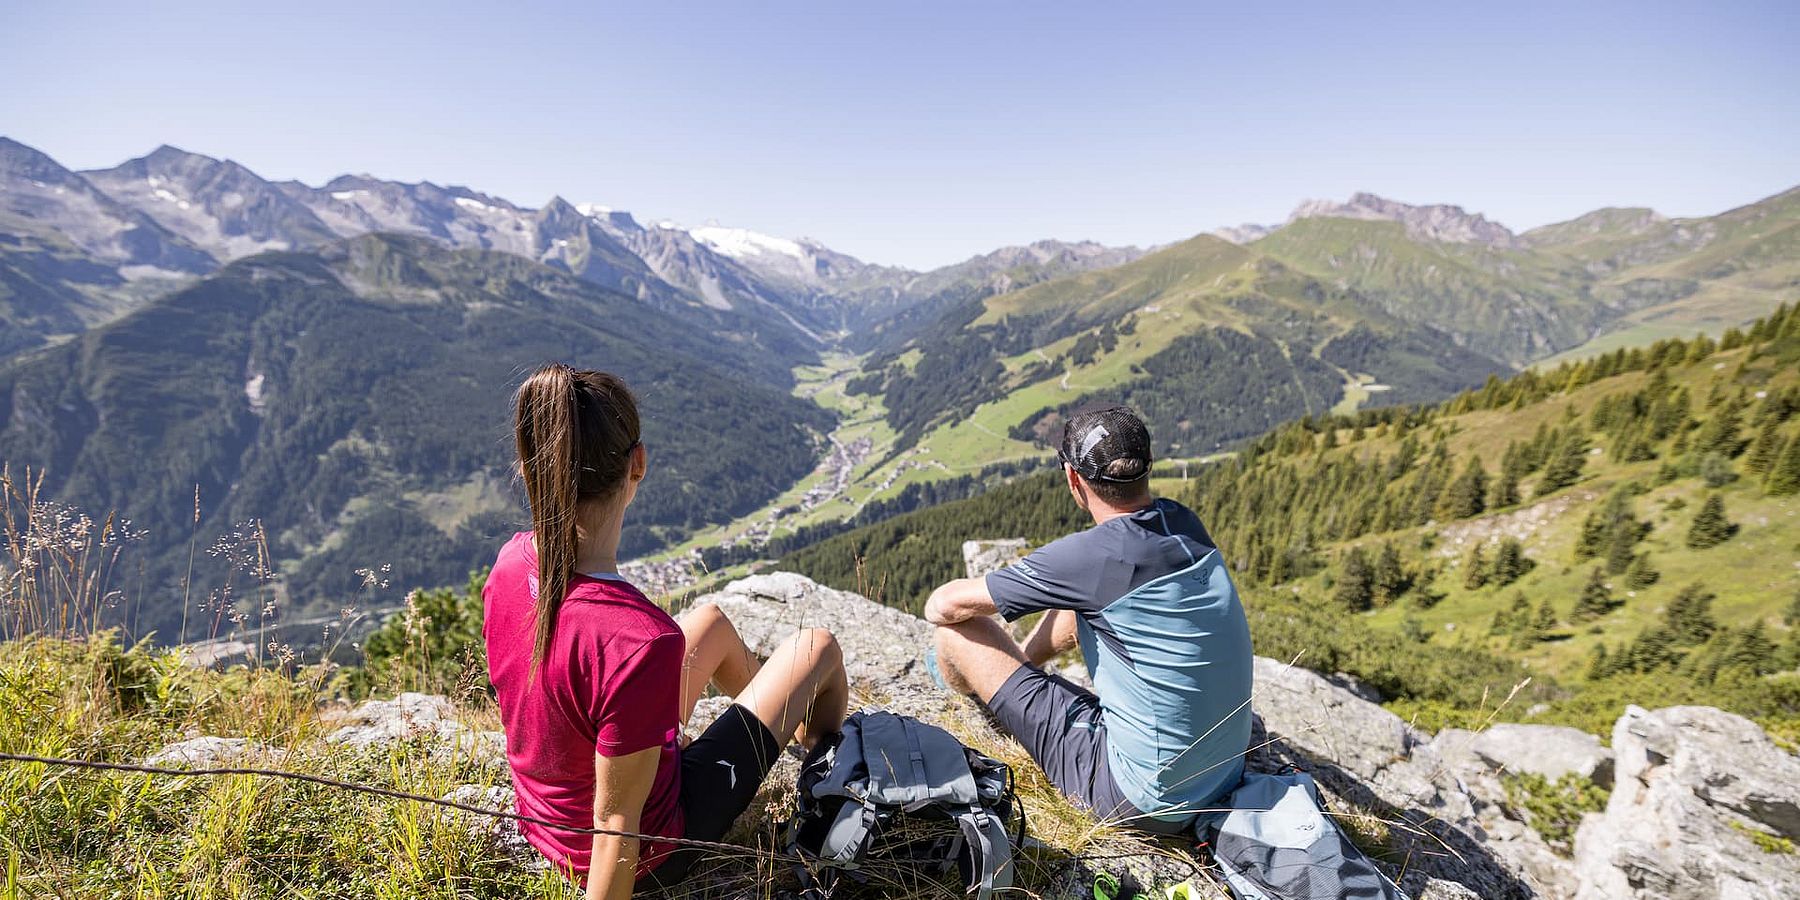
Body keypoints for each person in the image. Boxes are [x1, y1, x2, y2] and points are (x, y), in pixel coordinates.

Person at [484, 363, 849, 900]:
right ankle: (822, 761)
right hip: (655, 851)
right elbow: (615, 830)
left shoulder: (511, 564)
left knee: (711, 622)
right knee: (817, 646)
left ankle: (782, 727)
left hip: (546, 819)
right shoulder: (640, 639)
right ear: (639, 464)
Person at [923, 405, 1253, 835]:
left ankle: (969, 689)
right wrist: (1022, 661)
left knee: (957, 635)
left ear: (1073, 479)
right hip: (1225, 770)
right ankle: (1024, 667)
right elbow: (1086, 599)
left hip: (1142, 799)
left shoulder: (1090, 558)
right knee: (1089, 605)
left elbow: (943, 607)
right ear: (1146, 468)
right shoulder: (1183, 522)